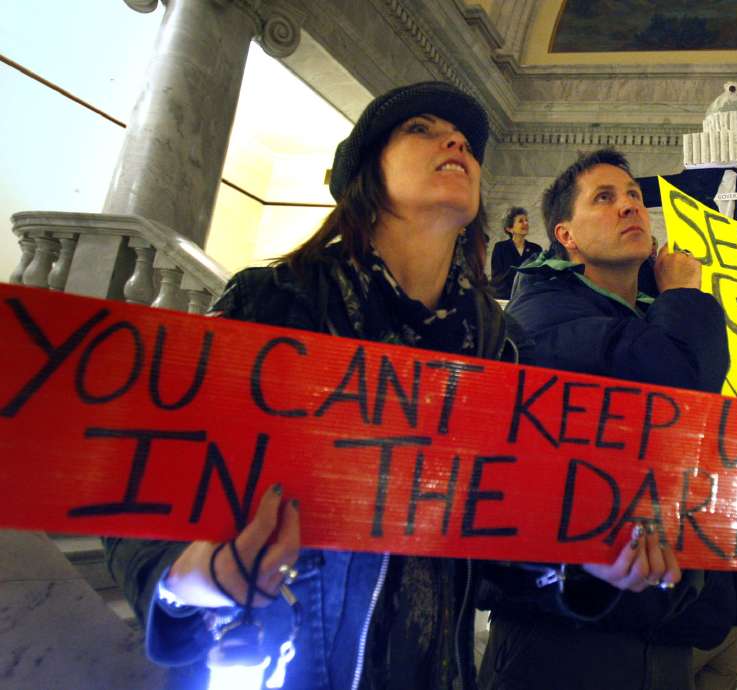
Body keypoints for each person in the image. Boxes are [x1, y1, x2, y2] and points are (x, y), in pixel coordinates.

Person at [103, 83, 667, 690]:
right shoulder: (275, 303)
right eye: (420, 129)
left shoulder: (499, 347)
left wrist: (582, 559)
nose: (456, 141)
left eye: (465, 142)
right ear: (368, 173)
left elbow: (501, 547)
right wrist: (184, 572)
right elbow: (142, 463)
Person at [482, 148, 734, 690]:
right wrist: (685, 294)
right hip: (560, 647)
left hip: (653, 635)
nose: (630, 208)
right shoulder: (541, 315)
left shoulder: (652, 313)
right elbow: (678, 390)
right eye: (605, 198)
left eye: (635, 197)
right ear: (565, 235)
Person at [489, 206, 542, 299]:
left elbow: (539, 277)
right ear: (510, 228)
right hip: (504, 297)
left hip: (528, 298)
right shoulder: (500, 247)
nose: (526, 223)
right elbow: (497, 277)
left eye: (526, 220)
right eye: (521, 221)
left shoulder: (536, 249)